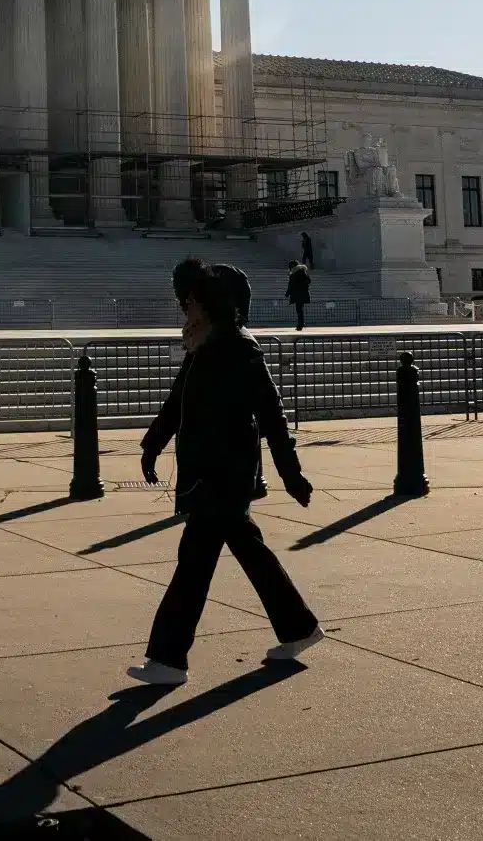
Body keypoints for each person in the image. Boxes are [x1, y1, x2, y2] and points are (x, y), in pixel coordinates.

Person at [128, 262, 322, 686]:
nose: (184, 308)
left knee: (193, 566)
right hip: (211, 474)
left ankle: (167, 659)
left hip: (224, 476)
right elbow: (178, 400)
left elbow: (272, 417)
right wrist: (152, 444)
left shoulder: (239, 348)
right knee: (250, 554)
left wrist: (292, 476)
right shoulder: (204, 345)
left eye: (191, 301)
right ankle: (298, 628)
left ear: (212, 304)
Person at [285, 260, 312, 331]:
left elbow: (291, 285)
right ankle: (301, 324)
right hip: (304, 293)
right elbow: (309, 281)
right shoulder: (303, 272)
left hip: (297, 294)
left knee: (299, 309)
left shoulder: (294, 274)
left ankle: (300, 325)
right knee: (300, 309)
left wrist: (287, 293)